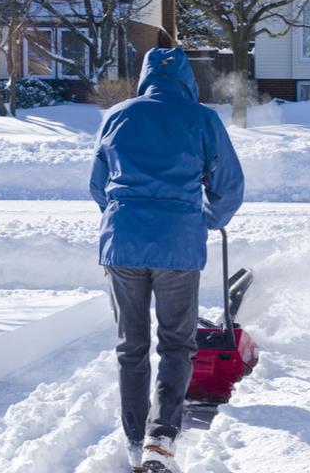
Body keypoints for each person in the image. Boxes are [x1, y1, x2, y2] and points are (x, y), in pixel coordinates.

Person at [89, 47, 244, 473]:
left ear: (144, 77)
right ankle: (162, 438)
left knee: (130, 346)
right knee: (177, 343)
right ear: (186, 78)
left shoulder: (118, 115)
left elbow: (98, 185)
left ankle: (136, 440)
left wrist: (125, 220)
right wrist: (206, 219)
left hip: (122, 245)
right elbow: (228, 187)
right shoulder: (202, 118)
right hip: (178, 244)